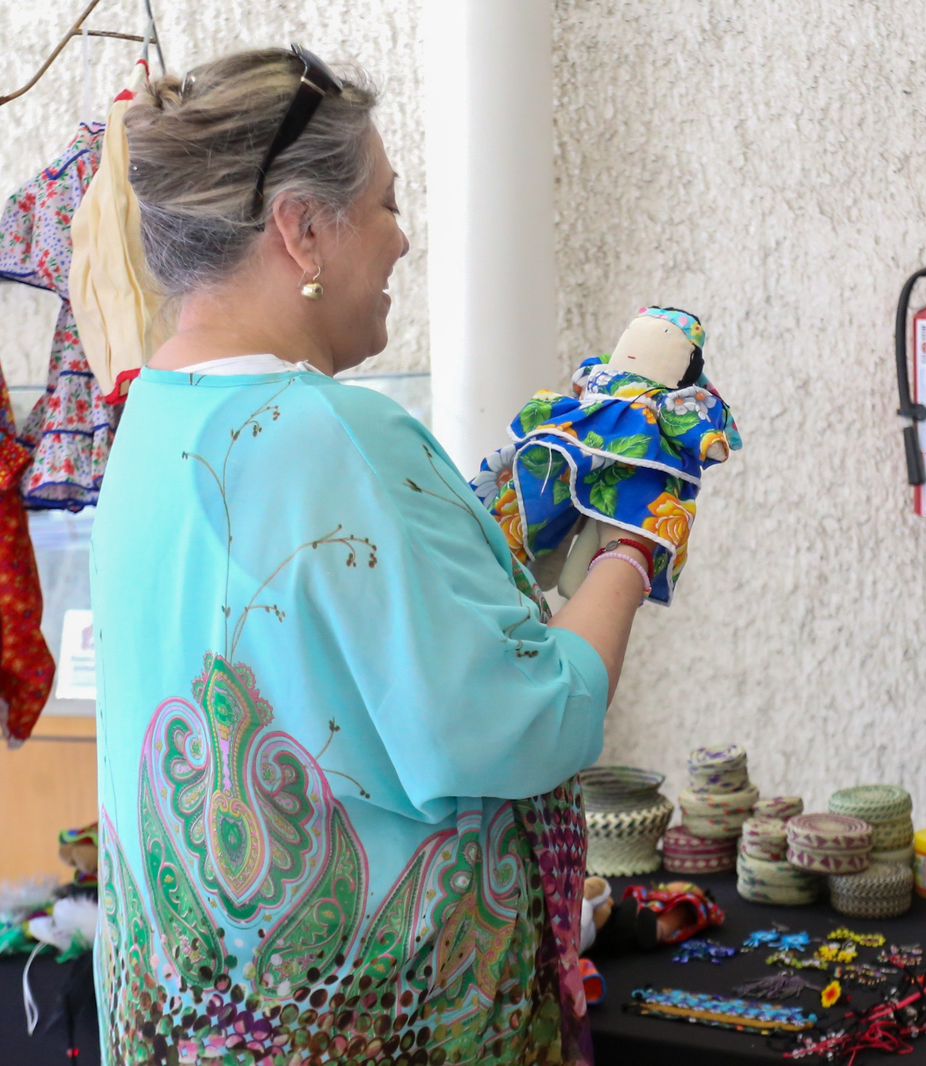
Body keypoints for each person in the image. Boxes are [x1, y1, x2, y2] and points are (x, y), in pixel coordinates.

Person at [93, 47, 656, 1063]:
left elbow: (340, 628)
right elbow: (521, 720)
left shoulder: (149, 421)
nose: (402, 240)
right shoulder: (327, 431)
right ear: (302, 229)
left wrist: (497, 527)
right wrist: (634, 546)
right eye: (388, 205)